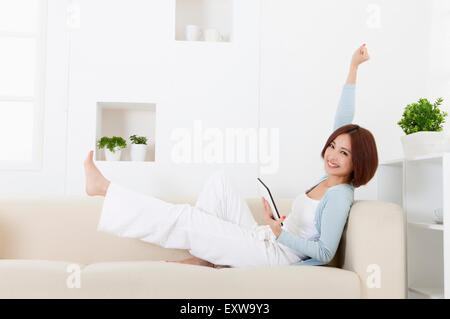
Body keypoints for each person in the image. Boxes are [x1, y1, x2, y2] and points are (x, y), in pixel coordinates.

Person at [84, 44, 378, 268]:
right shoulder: (327, 178)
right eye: (333, 146)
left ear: (357, 163)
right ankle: (206, 258)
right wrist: (353, 67)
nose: (333, 155)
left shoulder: (340, 194)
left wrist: (281, 234)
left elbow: (326, 253)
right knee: (219, 183)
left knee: (187, 218)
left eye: (344, 153)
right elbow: (343, 121)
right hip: (270, 238)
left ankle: (106, 190)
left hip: (276, 256)